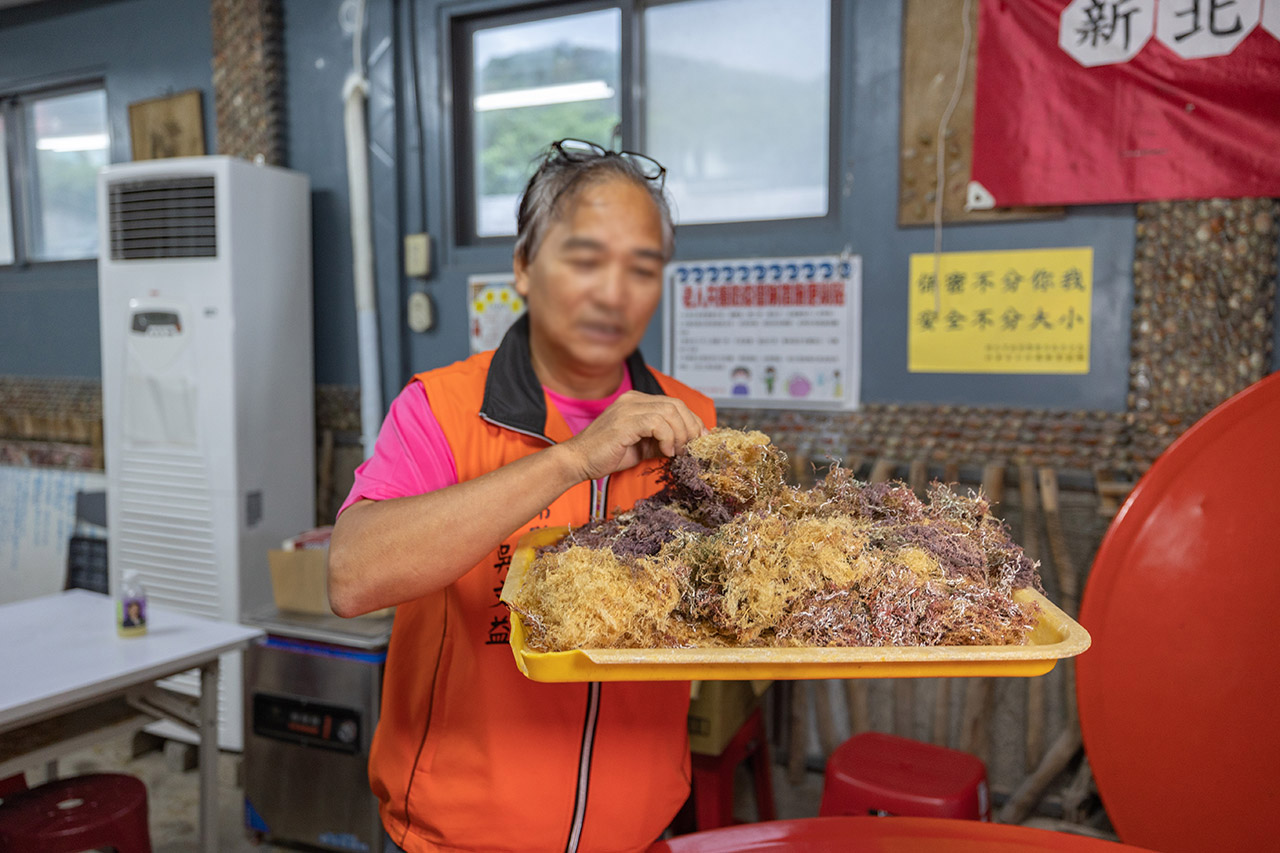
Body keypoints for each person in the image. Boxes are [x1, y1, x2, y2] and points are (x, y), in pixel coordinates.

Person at [327, 138, 716, 853]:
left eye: (641, 268)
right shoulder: (442, 408)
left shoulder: (690, 422)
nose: (614, 293)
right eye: (585, 259)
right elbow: (352, 577)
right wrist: (571, 459)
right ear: (523, 268)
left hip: (636, 831)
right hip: (459, 837)